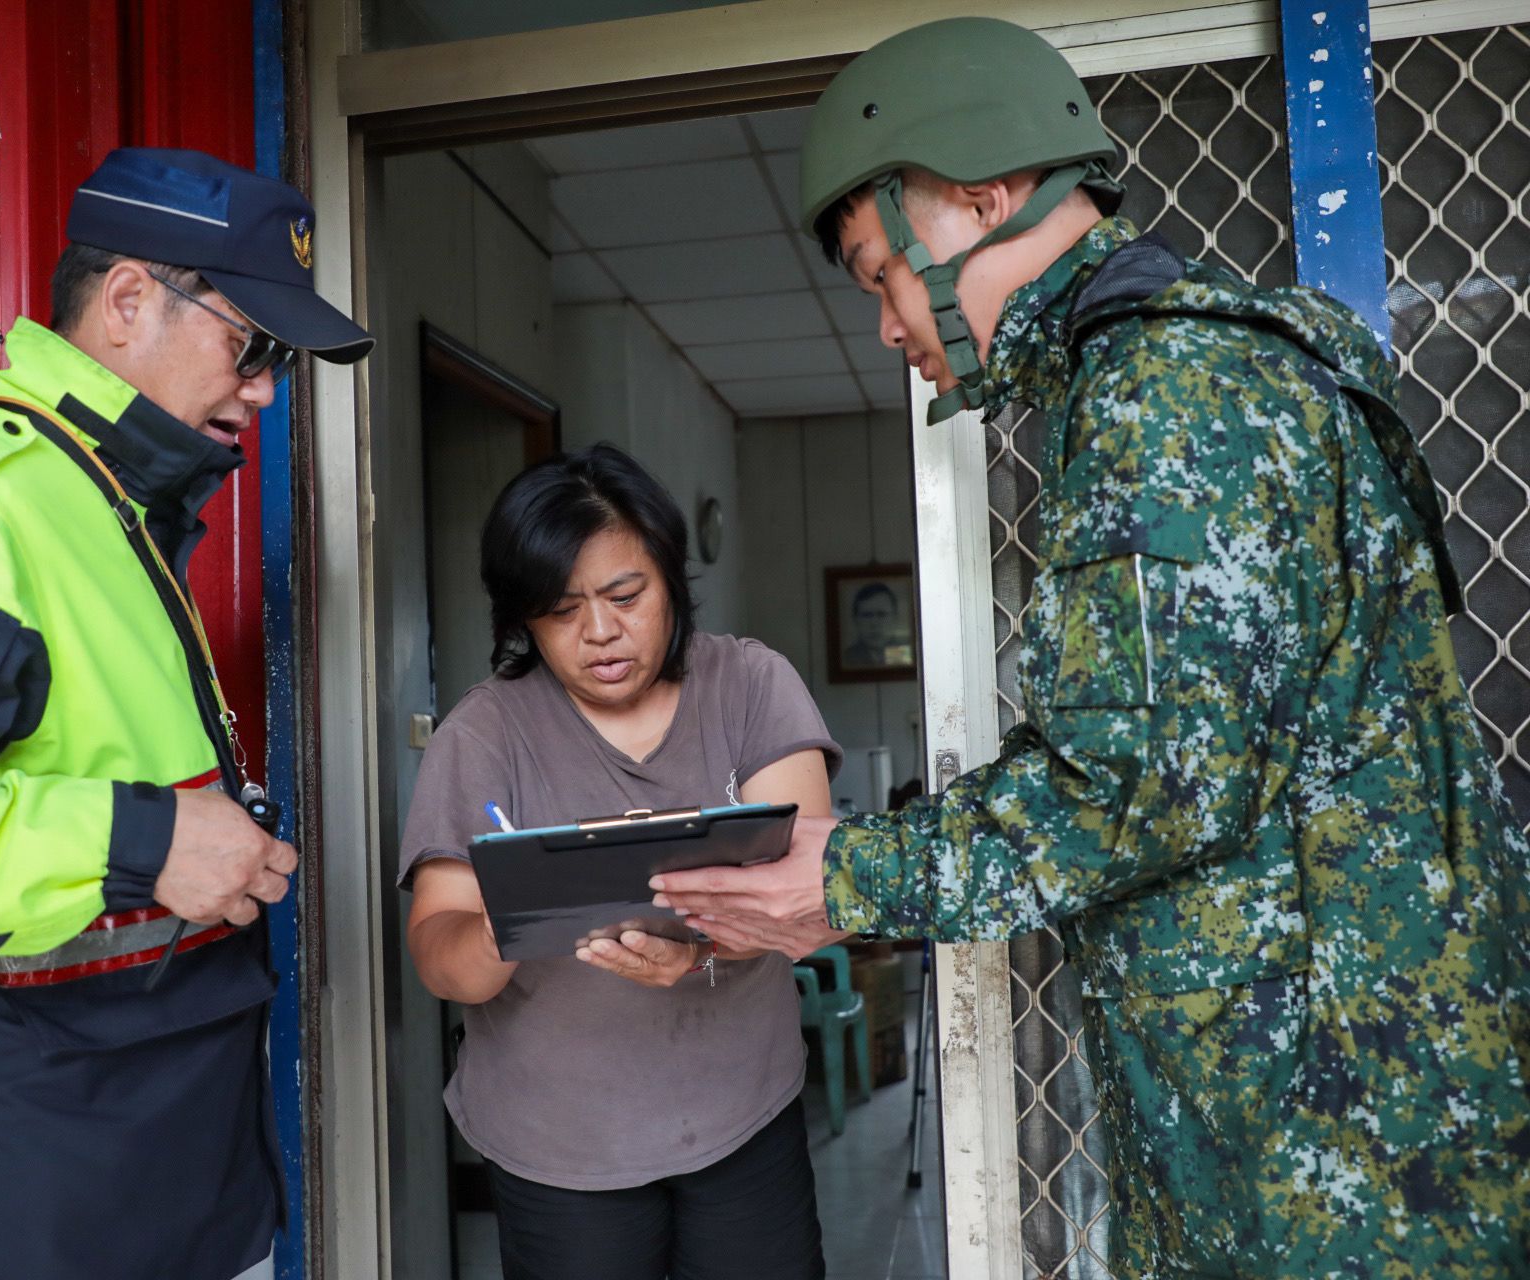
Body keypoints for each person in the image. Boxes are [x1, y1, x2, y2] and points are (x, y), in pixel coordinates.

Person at [651, 18, 1530, 1278]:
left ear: (982, 195)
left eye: (879, 275)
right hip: (1307, 1106)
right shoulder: (1142, 376)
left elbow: (1141, 784)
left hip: (1344, 1138)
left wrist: (842, 878)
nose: (888, 325)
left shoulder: (1164, 390)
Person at [0, 147, 372, 1280]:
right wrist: (146, 842)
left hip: (166, 1176)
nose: (265, 390)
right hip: (31, 1202)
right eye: (253, 345)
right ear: (130, 301)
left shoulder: (114, 506)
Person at [400, 443, 836, 1280]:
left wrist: (700, 946)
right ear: (522, 620)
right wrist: (516, 912)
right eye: (561, 611)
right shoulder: (484, 734)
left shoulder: (751, 687)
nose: (599, 632)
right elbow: (440, 958)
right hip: (555, 1141)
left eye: (625, 596)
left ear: (670, 580)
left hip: (741, 1113)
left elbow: (816, 906)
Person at [842, 580, 898, 668]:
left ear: (894, 618)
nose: (874, 624)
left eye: (882, 614)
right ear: (855, 619)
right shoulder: (846, 659)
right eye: (866, 615)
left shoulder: (906, 655)